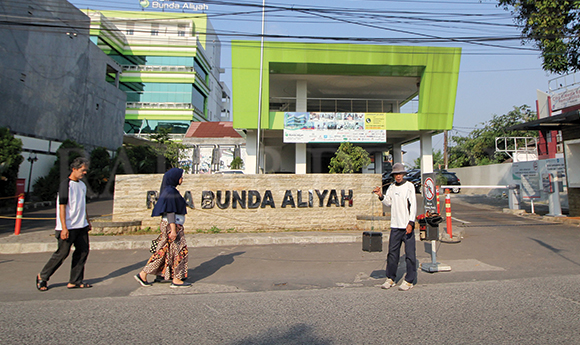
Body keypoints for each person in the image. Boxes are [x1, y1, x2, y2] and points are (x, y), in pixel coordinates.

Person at [36, 157, 92, 291]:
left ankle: (75, 281)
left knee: (83, 251)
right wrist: (64, 228)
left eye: (85, 171)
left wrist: (87, 221)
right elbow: (62, 207)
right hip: (68, 227)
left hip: (81, 225)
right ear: (74, 169)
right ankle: (42, 277)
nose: (84, 173)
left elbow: (82, 205)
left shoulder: (82, 185)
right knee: (62, 254)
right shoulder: (65, 185)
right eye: (82, 170)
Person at [135, 168, 191, 288]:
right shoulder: (170, 192)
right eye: (180, 176)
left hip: (171, 224)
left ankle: (145, 274)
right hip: (172, 225)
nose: (182, 179)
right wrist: (174, 230)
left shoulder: (170, 190)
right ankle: (176, 279)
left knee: (164, 251)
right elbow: (170, 211)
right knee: (179, 251)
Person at [372, 162, 417, 291]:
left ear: (403, 174)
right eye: (396, 174)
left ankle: (409, 280)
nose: (398, 176)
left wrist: (411, 223)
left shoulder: (409, 186)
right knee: (392, 254)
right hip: (395, 226)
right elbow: (388, 202)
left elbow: (413, 205)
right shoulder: (392, 187)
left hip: (407, 226)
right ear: (393, 175)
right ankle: (390, 278)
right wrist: (380, 195)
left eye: (400, 174)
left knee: (410, 254)